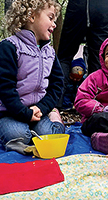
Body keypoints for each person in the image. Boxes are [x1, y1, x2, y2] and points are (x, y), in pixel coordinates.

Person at [0, 0, 65, 155]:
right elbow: (5, 87)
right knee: (18, 135)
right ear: (31, 15)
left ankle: (55, 118)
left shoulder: (50, 53)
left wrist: (42, 109)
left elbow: (57, 84)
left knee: (47, 136)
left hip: (38, 111)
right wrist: (23, 113)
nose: (54, 24)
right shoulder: (9, 47)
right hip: (10, 111)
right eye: (50, 18)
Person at [56, 0, 108, 110]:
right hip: (104, 7)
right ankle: (93, 107)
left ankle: (57, 105)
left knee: (65, 56)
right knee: (98, 58)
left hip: (79, 5)